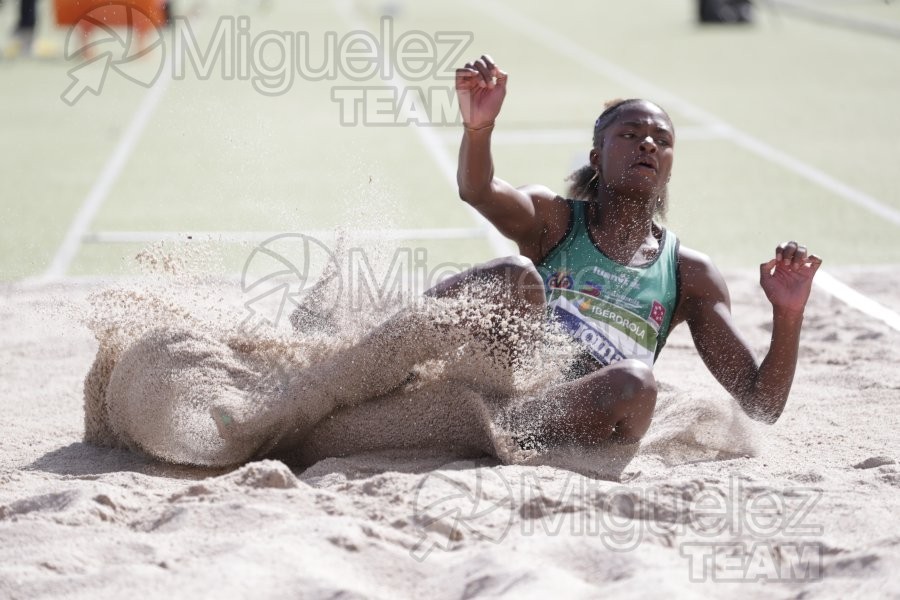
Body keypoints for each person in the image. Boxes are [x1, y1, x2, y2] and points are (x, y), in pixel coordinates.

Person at [430, 54, 822, 448]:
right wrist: (478, 127)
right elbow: (477, 190)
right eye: (631, 135)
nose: (649, 144)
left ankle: (496, 430)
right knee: (511, 274)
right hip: (513, 381)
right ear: (597, 158)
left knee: (635, 382)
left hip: (586, 412)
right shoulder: (555, 220)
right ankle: (381, 363)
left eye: (662, 140)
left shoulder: (691, 274)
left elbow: (762, 404)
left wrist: (788, 314)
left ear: (669, 166)